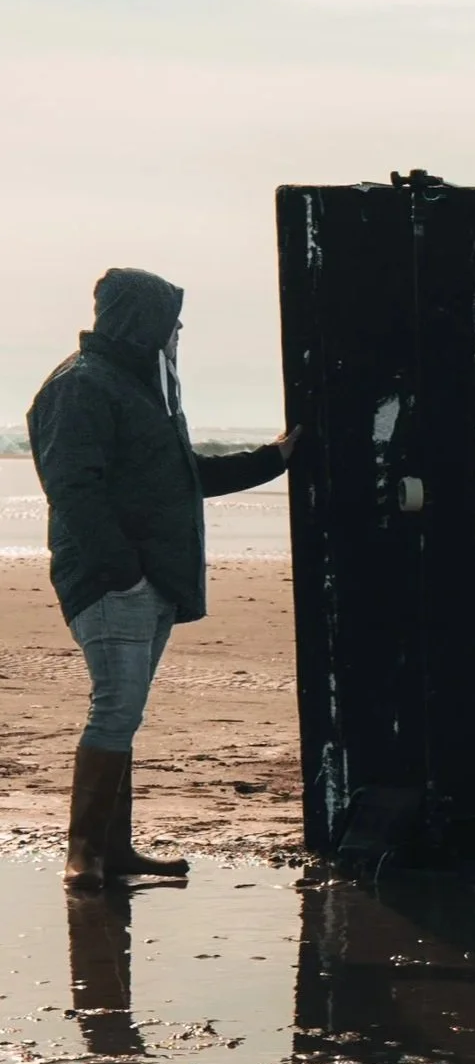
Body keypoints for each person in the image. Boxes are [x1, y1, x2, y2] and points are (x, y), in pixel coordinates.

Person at [28, 268, 298, 891]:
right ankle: (85, 857)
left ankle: (113, 850)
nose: (177, 331)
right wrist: (123, 572)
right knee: (115, 710)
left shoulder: (141, 385)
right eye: (169, 319)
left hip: (147, 578)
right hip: (112, 581)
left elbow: (182, 475)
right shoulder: (81, 386)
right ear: (139, 320)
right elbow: (72, 488)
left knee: (124, 714)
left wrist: (272, 459)